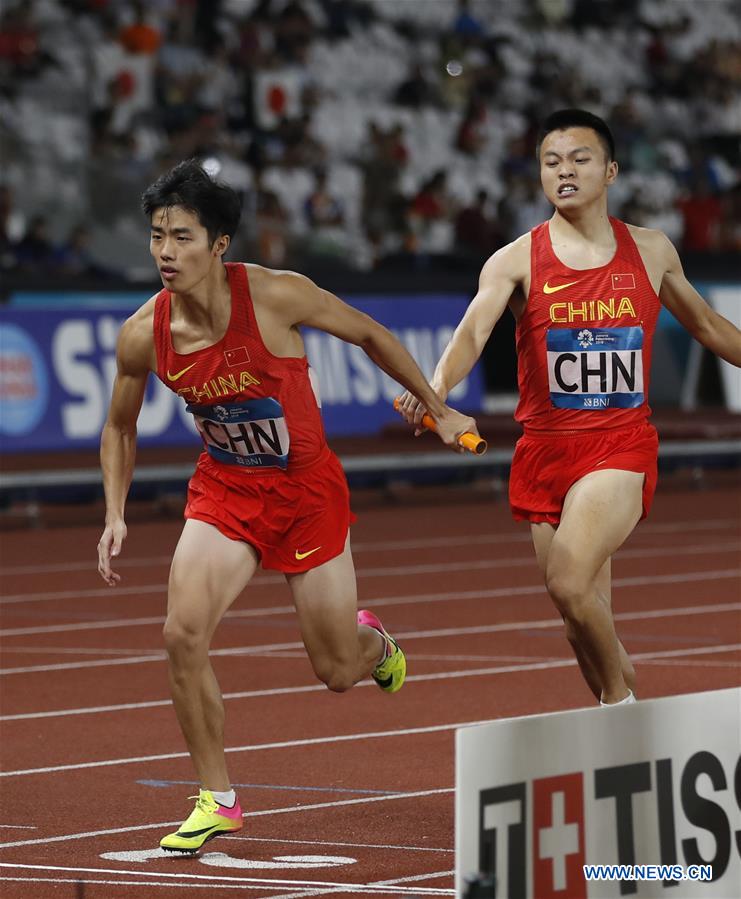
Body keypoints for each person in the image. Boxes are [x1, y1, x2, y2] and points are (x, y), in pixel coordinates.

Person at [96, 159, 478, 853]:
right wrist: (115, 511)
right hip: (225, 491)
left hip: (305, 493)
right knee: (181, 634)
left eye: (181, 237)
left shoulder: (275, 296)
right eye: (156, 236)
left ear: (218, 246)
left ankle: (376, 643)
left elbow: (366, 332)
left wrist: (437, 408)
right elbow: (119, 425)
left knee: (335, 672)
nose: (164, 252)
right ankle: (219, 797)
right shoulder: (141, 333)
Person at [399, 109, 741, 707]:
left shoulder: (652, 250)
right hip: (544, 452)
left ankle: (619, 708)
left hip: (619, 446)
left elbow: (710, 327)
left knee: (568, 579)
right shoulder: (514, 259)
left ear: (609, 170)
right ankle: (630, 732)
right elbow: (472, 334)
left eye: (580, 159)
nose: (565, 171)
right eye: (551, 162)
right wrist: (436, 391)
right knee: (580, 618)